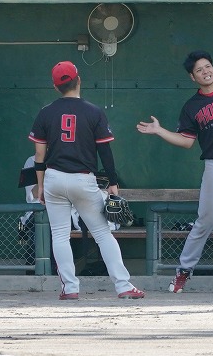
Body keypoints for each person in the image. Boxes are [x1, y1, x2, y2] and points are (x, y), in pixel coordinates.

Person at [137, 51, 213, 294]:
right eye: (199, 70)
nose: (206, 72)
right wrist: (160, 131)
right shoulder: (192, 106)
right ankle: (184, 270)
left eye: (207, 66)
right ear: (192, 77)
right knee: (206, 219)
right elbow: (186, 141)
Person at [29, 61, 144, 300]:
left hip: (54, 178)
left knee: (59, 235)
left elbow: (39, 155)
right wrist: (112, 182)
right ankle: (123, 286)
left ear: (55, 87)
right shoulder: (93, 111)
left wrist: (40, 185)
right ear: (79, 80)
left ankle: (69, 288)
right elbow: (105, 152)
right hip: (83, 179)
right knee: (102, 234)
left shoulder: (46, 112)